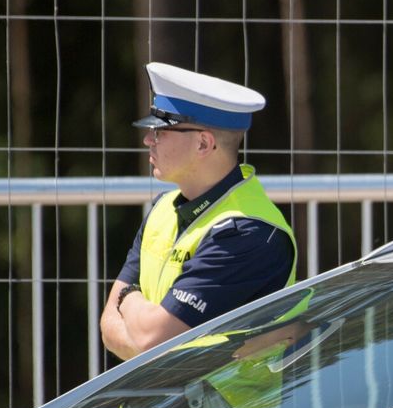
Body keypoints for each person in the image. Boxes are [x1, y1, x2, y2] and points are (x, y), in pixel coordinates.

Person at [100, 63, 297, 363]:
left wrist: (128, 299)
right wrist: (144, 334)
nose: (147, 140)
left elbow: (152, 339)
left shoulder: (248, 232)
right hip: (161, 406)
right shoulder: (163, 208)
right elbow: (108, 327)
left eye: (160, 131)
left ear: (204, 143)